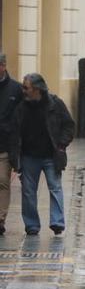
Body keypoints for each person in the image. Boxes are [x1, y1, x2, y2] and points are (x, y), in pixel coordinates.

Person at [9, 74, 75, 236]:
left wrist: (61, 145)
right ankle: (32, 225)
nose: (22, 90)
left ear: (37, 89)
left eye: (26, 87)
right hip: (29, 156)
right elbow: (14, 133)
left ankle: (57, 222)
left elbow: (69, 125)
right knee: (28, 192)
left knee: (55, 188)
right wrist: (15, 159)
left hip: (52, 155)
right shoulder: (21, 108)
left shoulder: (55, 104)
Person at [0, 54, 22, 235]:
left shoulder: (16, 89)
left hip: (5, 146)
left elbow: (22, 117)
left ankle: (0, 219)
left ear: (3, 66)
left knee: (2, 181)